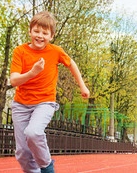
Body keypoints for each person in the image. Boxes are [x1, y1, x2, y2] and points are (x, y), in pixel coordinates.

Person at [10, 11, 90, 173]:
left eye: (45, 33)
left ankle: (47, 167)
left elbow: (71, 64)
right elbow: (14, 80)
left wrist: (82, 85)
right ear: (30, 31)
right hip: (20, 105)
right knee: (22, 153)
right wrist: (33, 72)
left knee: (33, 132)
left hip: (44, 103)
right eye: (36, 31)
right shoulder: (20, 51)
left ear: (51, 36)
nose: (40, 36)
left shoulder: (56, 51)